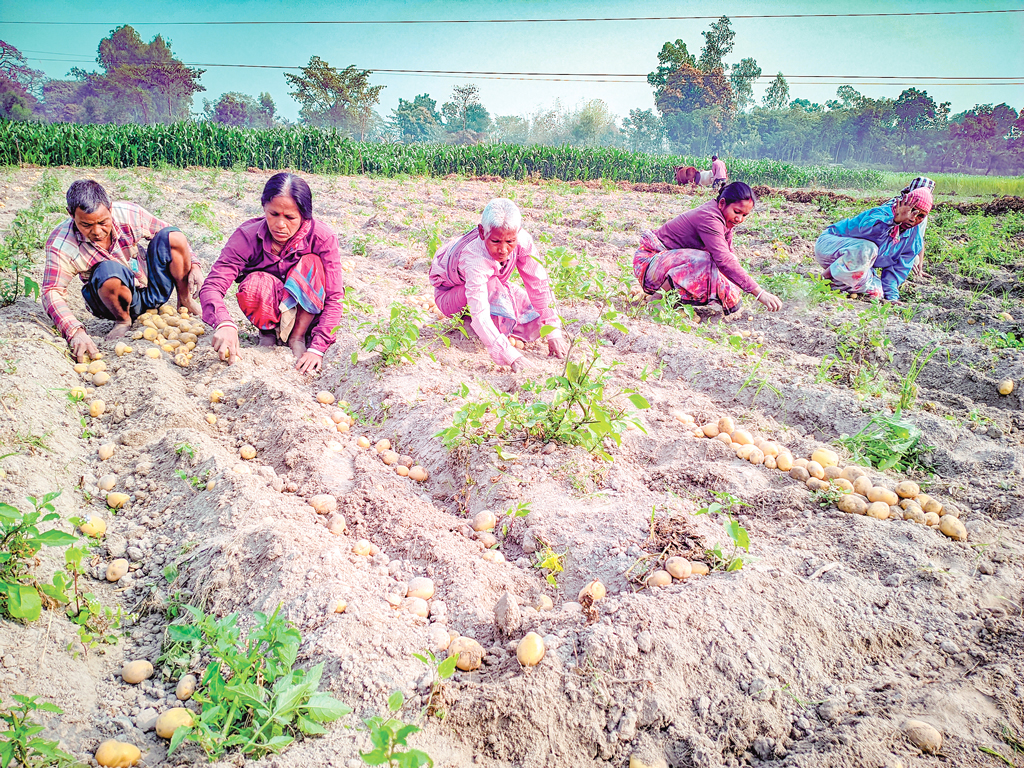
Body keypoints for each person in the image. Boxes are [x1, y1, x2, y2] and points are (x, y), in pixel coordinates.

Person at [41, 179, 202, 362]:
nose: (97, 231)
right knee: (108, 271)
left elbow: (170, 234)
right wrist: (75, 331)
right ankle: (123, 320)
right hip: (109, 301)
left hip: (148, 288)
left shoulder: (129, 213)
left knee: (173, 236)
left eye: (103, 222)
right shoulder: (61, 243)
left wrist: (194, 265)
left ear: (110, 209)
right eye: (86, 225)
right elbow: (51, 291)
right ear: (71, 215)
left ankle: (185, 300)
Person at [200, 172, 343, 374]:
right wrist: (224, 322)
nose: (280, 224)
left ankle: (298, 337)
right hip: (268, 307)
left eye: (290, 217)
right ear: (264, 208)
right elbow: (213, 285)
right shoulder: (247, 236)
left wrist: (317, 347)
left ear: (304, 216)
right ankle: (267, 333)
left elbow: (335, 297)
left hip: (307, 312)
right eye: (273, 214)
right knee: (254, 282)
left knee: (312, 263)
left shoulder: (322, 237)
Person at [429, 198, 567, 373]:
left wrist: (553, 331)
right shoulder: (474, 259)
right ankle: (468, 322)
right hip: (452, 296)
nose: (503, 249)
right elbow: (480, 311)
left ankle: (494, 331)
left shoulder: (522, 241)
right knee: (489, 292)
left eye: (510, 242)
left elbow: (538, 284)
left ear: (518, 233)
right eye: (495, 242)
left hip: (492, 284)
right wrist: (511, 356)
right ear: (481, 232)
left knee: (532, 312)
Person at [633, 182, 783, 315]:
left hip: (666, 263)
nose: (740, 219)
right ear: (722, 203)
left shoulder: (725, 221)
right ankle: (657, 299)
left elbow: (730, 257)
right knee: (706, 260)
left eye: (745, 215)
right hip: (650, 264)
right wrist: (759, 293)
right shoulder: (710, 219)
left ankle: (675, 299)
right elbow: (723, 260)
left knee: (721, 277)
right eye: (737, 212)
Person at [814, 187, 933, 303]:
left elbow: (896, 272)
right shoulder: (883, 213)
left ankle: (836, 283)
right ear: (903, 204)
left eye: (920, 216)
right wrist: (894, 222)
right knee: (867, 249)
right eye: (912, 211)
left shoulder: (914, 239)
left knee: (877, 293)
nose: (913, 218)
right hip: (830, 246)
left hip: (855, 263)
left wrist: (892, 298)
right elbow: (867, 229)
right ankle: (826, 277)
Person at [886, 177, 934, 278]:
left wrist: (919, 268)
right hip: (883, 247)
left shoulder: (921, 215)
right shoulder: (893, 206)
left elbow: (919, 240)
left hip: (896, 248)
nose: (913, 218)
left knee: (914, 260)